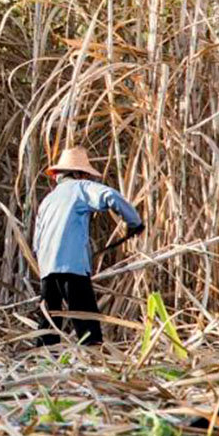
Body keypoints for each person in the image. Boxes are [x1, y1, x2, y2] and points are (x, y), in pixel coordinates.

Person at [32, 146, 143, 346]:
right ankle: (92, 365)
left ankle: (43, 367)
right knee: (87, 324)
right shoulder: (80, 187)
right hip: (72, 268)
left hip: (47, 270)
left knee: (48, 325)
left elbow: (36, 243)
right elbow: (110, 196)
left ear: (59, 175)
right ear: (78, 173)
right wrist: (134, 222)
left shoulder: (47, 201)